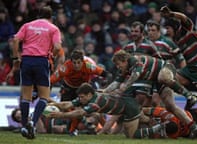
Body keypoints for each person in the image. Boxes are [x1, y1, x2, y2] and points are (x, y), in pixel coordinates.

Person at [107, 50, 197, 138]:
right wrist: (104, 91)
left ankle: (190, 96)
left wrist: (126, 86)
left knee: (163, 77)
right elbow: (115, 83)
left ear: (125, 60)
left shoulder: (134, 60)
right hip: (156, 80)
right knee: (170, 106)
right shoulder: (125, 69)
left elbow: (136, 74)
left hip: (166, 68)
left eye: (118, 64)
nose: (118, 67)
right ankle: (194, 127)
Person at [160, 6, 197, 138]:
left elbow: (183, 17)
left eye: (168, 28)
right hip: (190, 67)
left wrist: (171, 14)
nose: (167, 31)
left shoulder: (187, 29)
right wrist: (174, 52)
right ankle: (189, 97)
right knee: (170, 79)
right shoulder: (177, 39)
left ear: (174, 27)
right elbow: (182, 48)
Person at [9, 6, 62, 139]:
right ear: (51, 17)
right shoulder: (53, 28)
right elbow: (58, 47)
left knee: (26, 96)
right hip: (41, 61)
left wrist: (16, 58)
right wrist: (51, 56)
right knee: (44, 96)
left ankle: (24, 125)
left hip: (26, 60)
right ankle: (32, 122)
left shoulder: (27, 25)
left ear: (38, 15)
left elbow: (15, 40)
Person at [46, 83, 165, 138]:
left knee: (131, 135)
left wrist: (59, 115)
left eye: (82, 97)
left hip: (129, 108)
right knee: (145, 120)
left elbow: (79, 113)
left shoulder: (96, 103)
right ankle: (159, 125)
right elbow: (69, 104)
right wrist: (52, 102)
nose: (80, 99)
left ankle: (158, 127)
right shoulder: (89, 97)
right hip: (125, 105)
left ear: (88, 95)